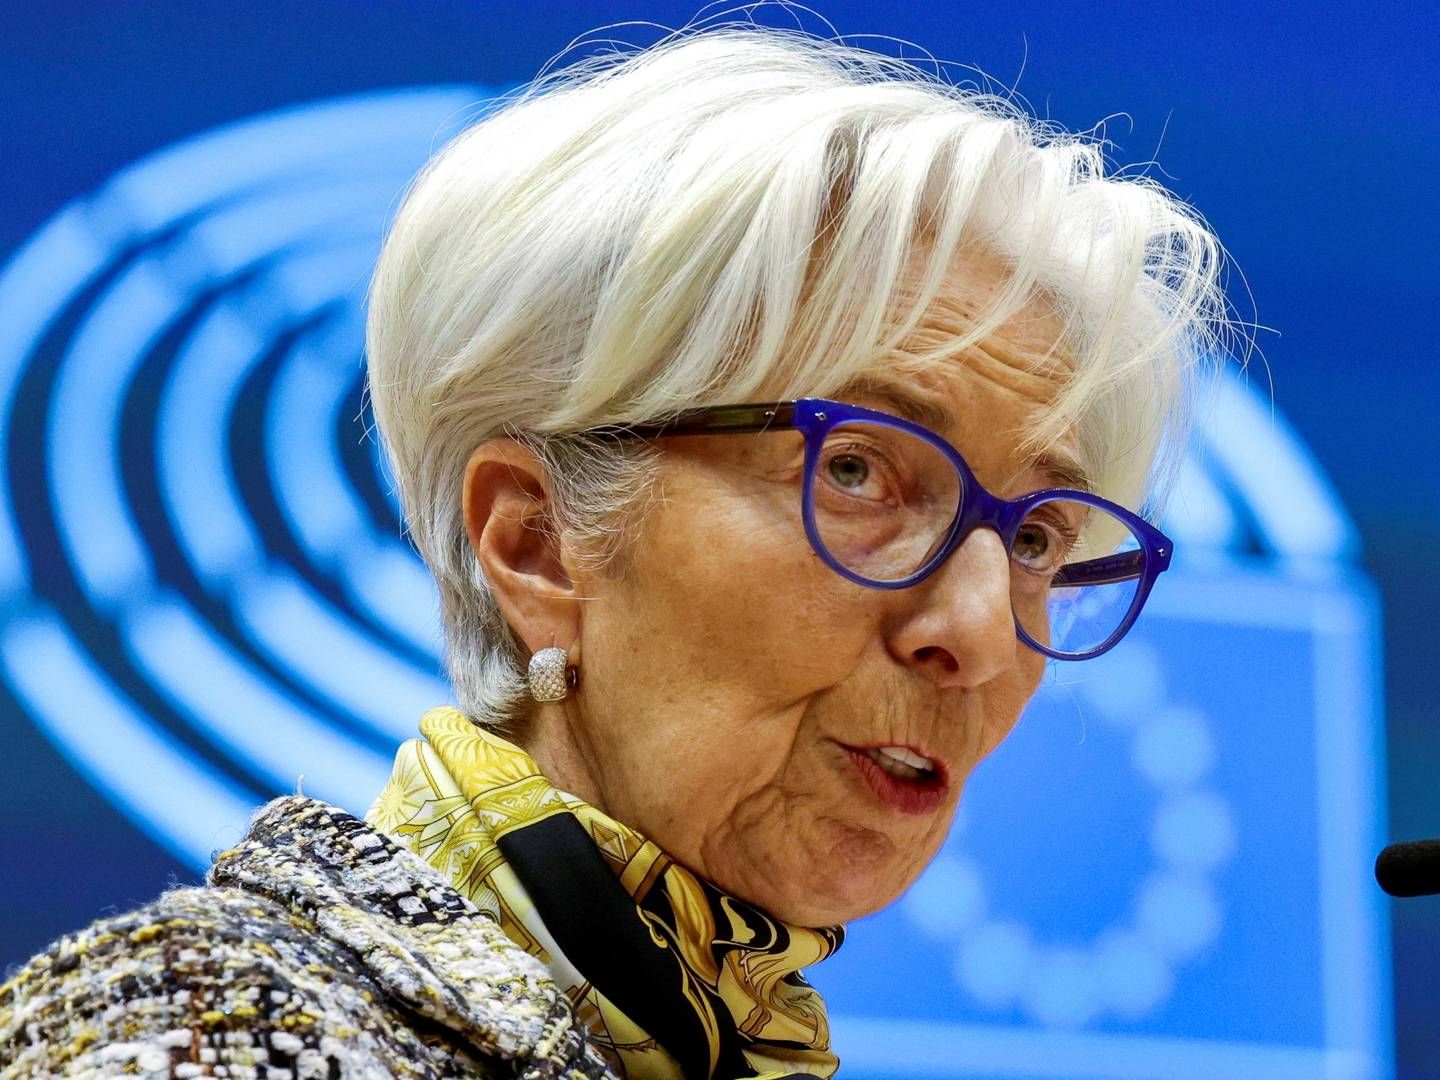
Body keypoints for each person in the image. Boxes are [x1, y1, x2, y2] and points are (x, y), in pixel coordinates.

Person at [0, 18, 1234, 1080]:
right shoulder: (196, 1030)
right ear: (535, 545)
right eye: (858, 469)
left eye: (1034, 535)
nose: (973, 634)